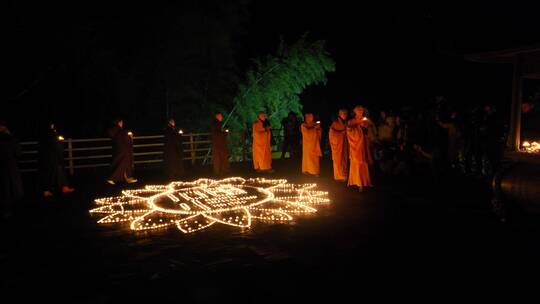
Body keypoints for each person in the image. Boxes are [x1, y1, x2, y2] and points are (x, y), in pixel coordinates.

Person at [39, 122, 74, 197]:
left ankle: (63, 187)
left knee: (58, 172)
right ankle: (47, 190)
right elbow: (57, 146)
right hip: (53, 158)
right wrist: (60, 142)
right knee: (51, 173)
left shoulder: (44, 135)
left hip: (48, 158)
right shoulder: (51, 134)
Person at [0, 121, 23, 219]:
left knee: (4, 188)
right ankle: (14, 209)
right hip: (10, 165)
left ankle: (7, 210)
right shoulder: (11, 139)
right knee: (12, 188)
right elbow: (18, 153)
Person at [347, 106, 373, 191]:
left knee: (363, 164)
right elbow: (349, 131)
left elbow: (371, 129)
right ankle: (358, 183)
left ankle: (365, 181)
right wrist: (359, 127)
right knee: (357, 163)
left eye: (362, 110)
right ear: (355, 111)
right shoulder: (352, 121)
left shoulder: (366, 120)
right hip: (356, 147)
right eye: (358, 110)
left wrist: (366, 128)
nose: (360, 112)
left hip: (364, 146)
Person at [106, 119, 137, 185]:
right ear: (119, 123)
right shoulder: (120, 131)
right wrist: (130, 137)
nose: (122, 123)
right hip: (123, 151)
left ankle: (127, 177)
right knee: (120, 164)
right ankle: (111, 178)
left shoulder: (115, 131)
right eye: (121, 122)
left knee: (124, 164)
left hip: (119, 150)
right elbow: (126, 140)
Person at [329, 109, 349, 181]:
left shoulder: (346, 123)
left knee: (344, 160)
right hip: (337, 147)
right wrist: (341, 134)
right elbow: (332, 134)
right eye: (343, 113)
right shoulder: (335, 123)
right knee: (338, 161)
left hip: (344, 146)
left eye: (346, 113)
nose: (345, 115)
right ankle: (339, 176)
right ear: (339, 114)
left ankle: (344, 175)